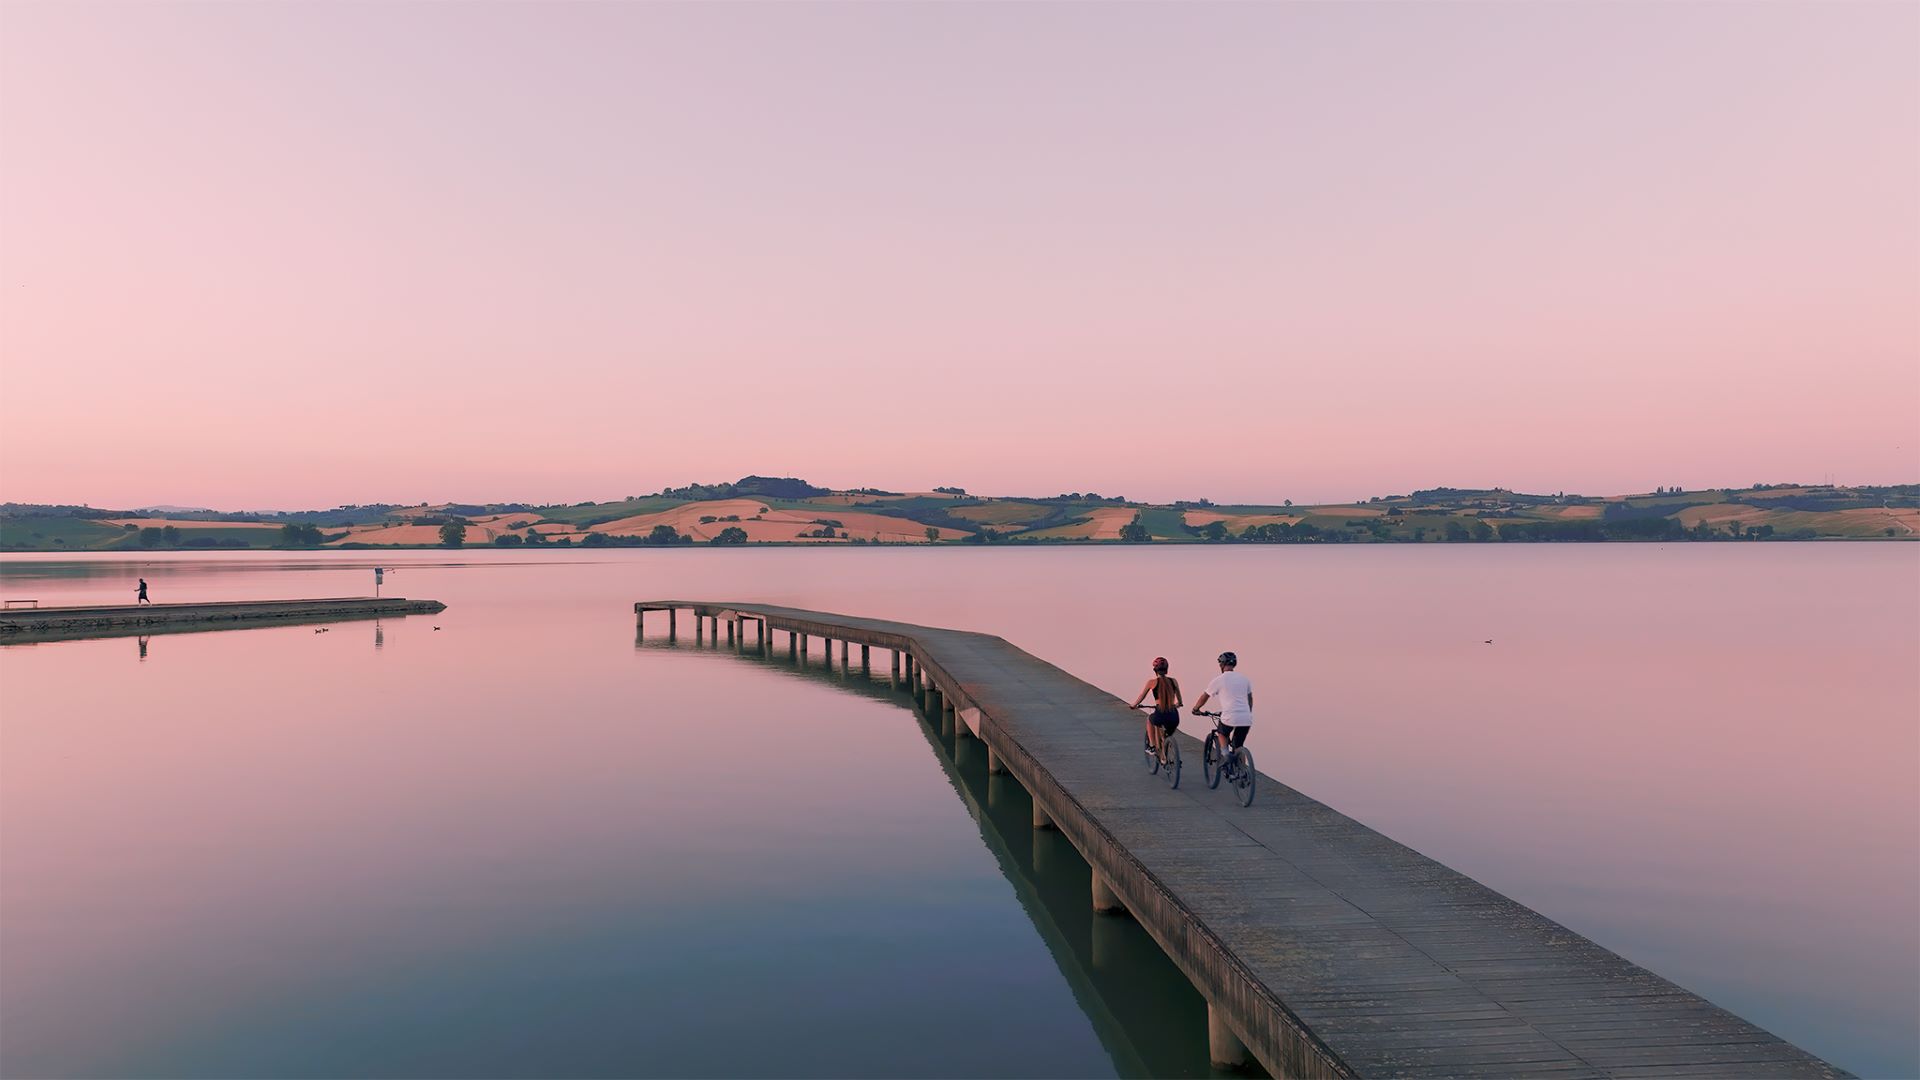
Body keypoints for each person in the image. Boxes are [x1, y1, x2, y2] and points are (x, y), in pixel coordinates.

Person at [1192, 650, 1252, 755]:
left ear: (1222, 664)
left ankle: (1226, 756)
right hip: (1246, 718)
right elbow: (1250, 698)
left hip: (1230, 716)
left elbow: (1205, 696)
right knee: (1239, 746)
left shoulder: (1219, 679)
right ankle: (1242, 769)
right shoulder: (1244, 679)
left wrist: (1196, 709)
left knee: (1221, 733)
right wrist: (1248, 711)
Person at [1128, 656, 1182, 760]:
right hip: (1174, 716)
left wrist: (1134, 705)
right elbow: (1180, 700)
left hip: (1160, 713)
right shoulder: (1173, 681)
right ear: (1167, 669)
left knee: (1150, 719)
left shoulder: (1152, 682)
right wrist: (1178, 704)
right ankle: (1167, 748)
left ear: (1154, 670)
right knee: (1166, 731)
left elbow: (1141, 696)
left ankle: (1152, 746)